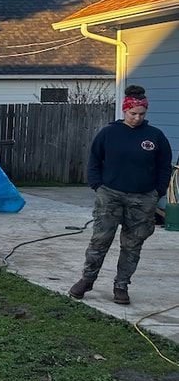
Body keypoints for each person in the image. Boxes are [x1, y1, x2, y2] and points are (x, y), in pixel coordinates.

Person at [69, 85, 173, 305]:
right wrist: (97, 185)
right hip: (110, 194)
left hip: (143, 198)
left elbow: (164, 166)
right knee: (100, 239)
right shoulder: (109, 133)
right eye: (132, 113)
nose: (136, 118)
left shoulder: (155, 136)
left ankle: (121, 285)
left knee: (132, 244)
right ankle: (87, 279)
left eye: (141, 114)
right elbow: (95, 160)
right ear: (124, 111)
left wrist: (158, 191)